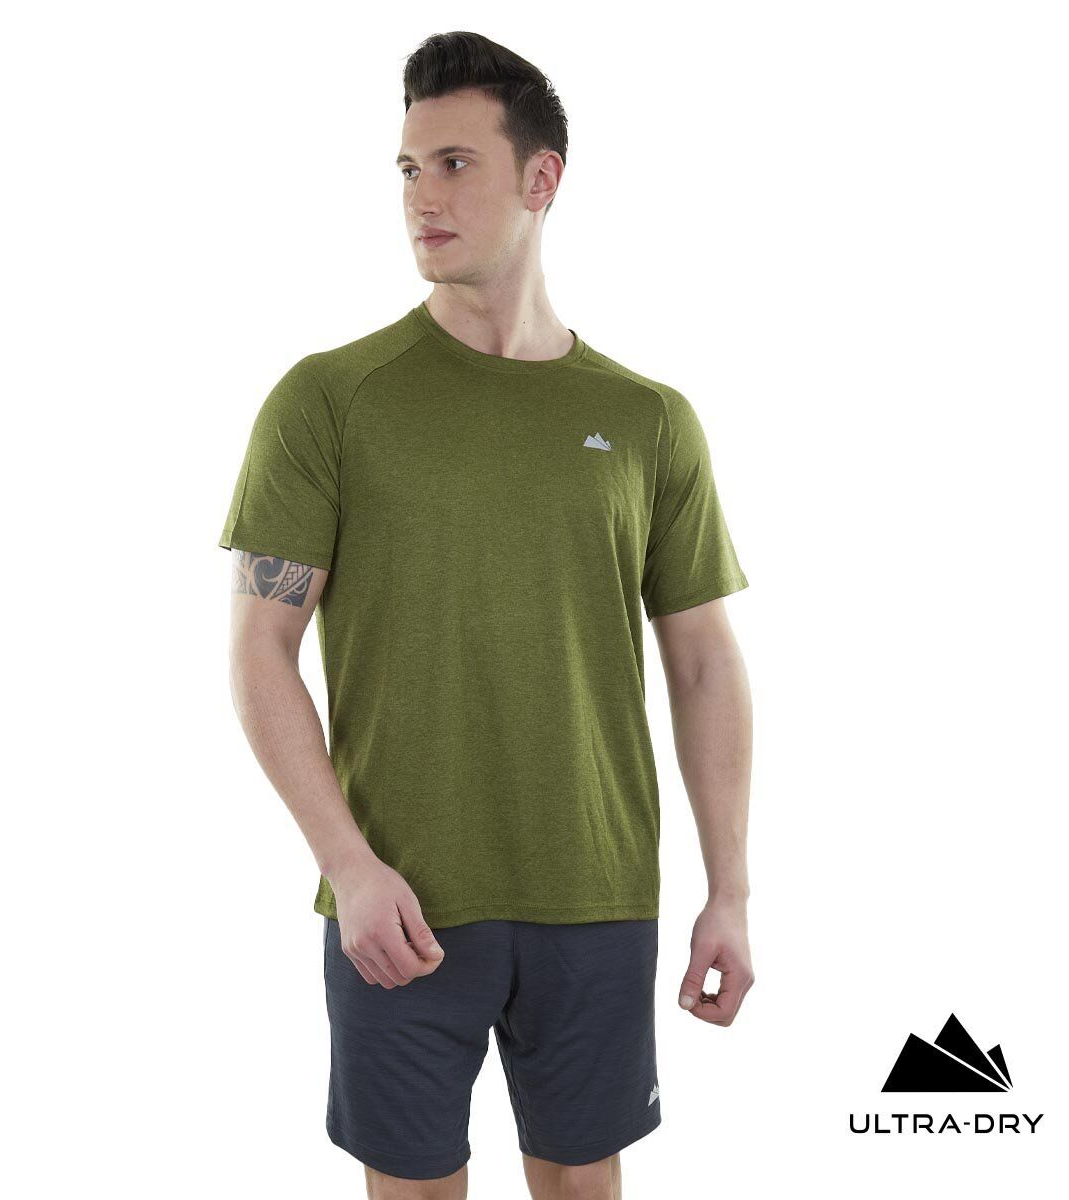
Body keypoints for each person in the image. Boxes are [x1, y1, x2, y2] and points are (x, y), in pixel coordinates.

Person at [219, 30, 754, 1200]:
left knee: (584, 1184)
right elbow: (261, 650)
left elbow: (705, 664)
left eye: (455, 163)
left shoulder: (649, 419)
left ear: (541, 178)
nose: (423, 197)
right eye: (408, 169)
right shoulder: (329, 400)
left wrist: (729, 890)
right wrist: (347, 864)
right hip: (400, 902)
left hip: (598, 892)